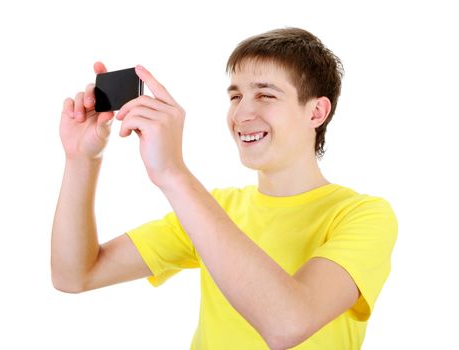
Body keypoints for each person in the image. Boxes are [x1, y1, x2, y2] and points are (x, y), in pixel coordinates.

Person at [51, 27, 398, 349]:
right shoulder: (215, 208)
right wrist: (81, 159)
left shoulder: (363, 215)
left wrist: (173, 173)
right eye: (235, 96)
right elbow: (76, 274)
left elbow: (287, 323)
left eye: (265, 94)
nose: (242, 113)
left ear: (317, 112)